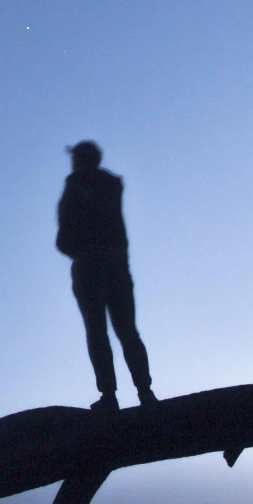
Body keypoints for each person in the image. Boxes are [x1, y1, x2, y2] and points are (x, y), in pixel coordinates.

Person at [56, 141, 155, 412]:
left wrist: (79, 250)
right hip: (116, 266)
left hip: (92, 268)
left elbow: (64, 237)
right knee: (124, 331)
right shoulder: (111, 186)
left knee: (99, 332)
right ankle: (143, 392)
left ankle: (112, 396)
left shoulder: (78, 186)